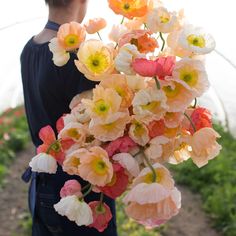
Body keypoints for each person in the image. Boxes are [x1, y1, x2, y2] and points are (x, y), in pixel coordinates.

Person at [20, 0, 117, 235]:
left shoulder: (29, 49)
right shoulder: (78, 57)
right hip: (79, 189)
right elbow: (105, 129)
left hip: (44, 182)